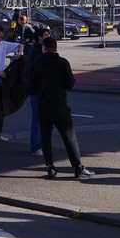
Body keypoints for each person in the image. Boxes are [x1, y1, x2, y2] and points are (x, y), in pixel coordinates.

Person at [29, 37, 94, 179]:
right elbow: (69, 84)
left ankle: (50, 167)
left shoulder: (36, 63)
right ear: (56, 48)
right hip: (58, 103)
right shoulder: (63, 62)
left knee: (45, 136)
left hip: (43, 104)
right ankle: (77, 167)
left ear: (44, 48)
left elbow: (31, 85)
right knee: (69, 136)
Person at [23, 25, 50, 157]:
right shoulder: (36, 52)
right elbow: (31, 71)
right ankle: (35, 146)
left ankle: (40, 144)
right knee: (37, 118)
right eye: (46, 35)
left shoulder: (41, 50)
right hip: (37, 89)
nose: (48, 37)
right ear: (39, 37)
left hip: (41, 89)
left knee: (42, 118)